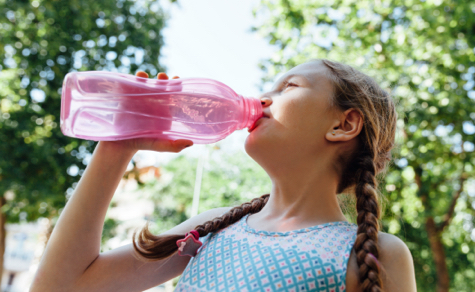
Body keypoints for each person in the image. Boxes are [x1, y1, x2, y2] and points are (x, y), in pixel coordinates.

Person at [30, 59, 416, 292]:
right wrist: (118, 146)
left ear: (344, 124)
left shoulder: (373, 254)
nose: (264, 98)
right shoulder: (212, 230)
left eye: (289, 87)